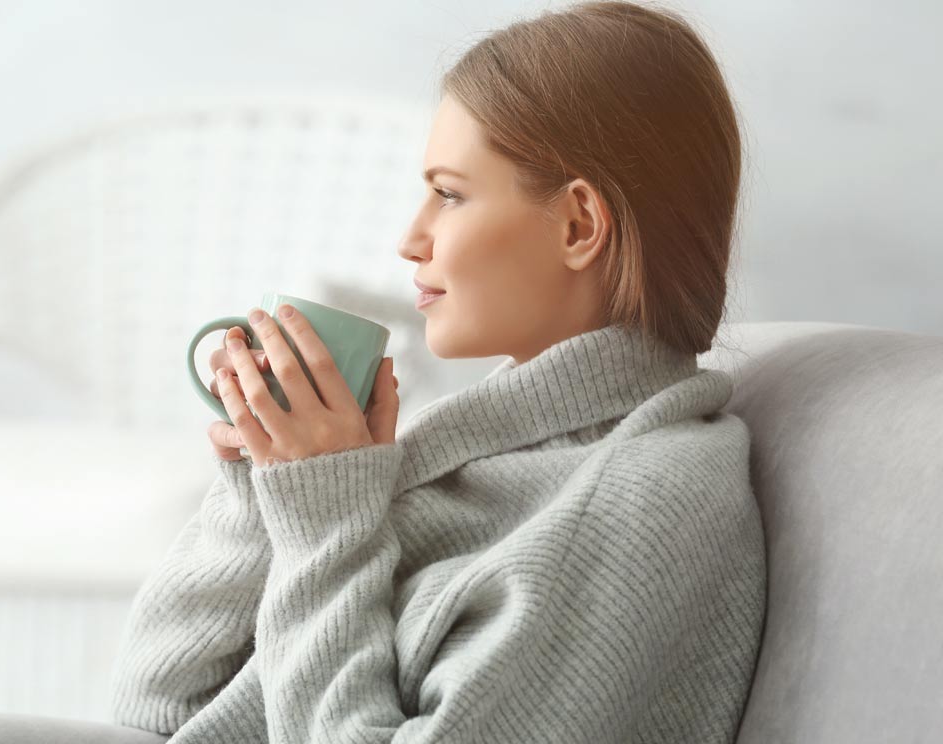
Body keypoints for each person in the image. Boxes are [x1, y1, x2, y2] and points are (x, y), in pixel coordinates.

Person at [114, 1, 765, 742]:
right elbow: (160, 712)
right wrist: (268, 488)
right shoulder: (493, 455)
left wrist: (326, 515)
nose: (409, 239)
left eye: (449, 194)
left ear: (580, 225)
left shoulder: (640, 501)